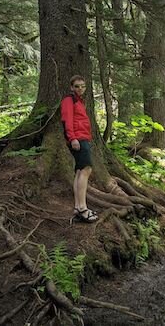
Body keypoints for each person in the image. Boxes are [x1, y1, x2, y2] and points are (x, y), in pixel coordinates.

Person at [61, 75, 98, 222]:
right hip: (78, 139)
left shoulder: (79, 101)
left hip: (82, 138)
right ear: (71, 87)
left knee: (79, 171)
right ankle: (83, 208)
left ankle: (78, 207)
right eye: (77, 86)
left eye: (82, 86)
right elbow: (67, 120)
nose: (80, 88)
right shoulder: (68, 100)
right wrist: (72, 138)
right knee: (86, 169)